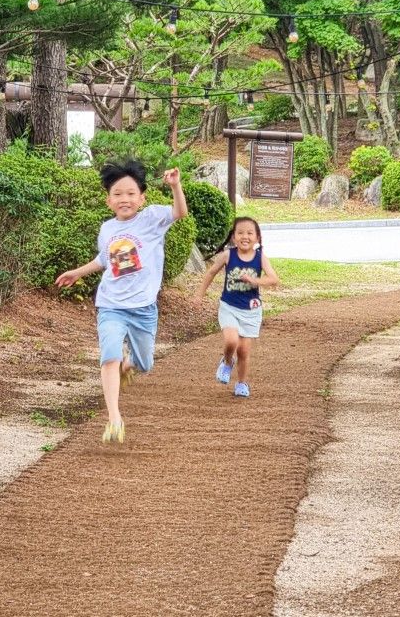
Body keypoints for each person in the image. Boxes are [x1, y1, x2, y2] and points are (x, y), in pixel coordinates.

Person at [55, 160, 187, 443]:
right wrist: (77, 273)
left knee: (145, 363)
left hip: (143, 309)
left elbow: (180, 212)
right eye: (117, 194)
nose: (124, 199)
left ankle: (129, 366)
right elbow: (105, 259)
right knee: (109, 354)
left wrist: (175, 186)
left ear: (142, 197)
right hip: (111, 304)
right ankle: (114, 418)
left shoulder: (151, 218)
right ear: (108, 200)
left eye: (130, 193)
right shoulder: (107, 229)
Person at [193, 217, 279, 398]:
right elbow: (211, 272)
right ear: (233, 237)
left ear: (257, 238)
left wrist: (255, 280)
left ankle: (241, 383)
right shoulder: (228, 255)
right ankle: (226, 362)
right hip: (229, 306)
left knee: (244, 350)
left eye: (249, 233)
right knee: (231, 341)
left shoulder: (260, 258)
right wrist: (199, 295)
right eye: (240, 233)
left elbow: (273, 279)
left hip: (251, 310)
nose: (244, 236)